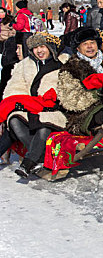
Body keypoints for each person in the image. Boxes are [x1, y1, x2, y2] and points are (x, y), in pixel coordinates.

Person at [0, 32, 69, 177]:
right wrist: (27, 103)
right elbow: (15, 88)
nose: (39, 51)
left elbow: (70, 90)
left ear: (51, 47)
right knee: (14, 121)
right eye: (36, 47)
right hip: (30, 106)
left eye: (43, 46)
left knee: (44, 125)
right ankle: (42, 158)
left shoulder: (64, 63)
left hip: (55, 110)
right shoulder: (24, 65)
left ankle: (29, 162)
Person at [56, 27, 103, 136]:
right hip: (84, 114)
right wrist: (97, 94)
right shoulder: (71, 68)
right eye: (85, 44)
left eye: (92, 43)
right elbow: (69, 99)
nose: (90, 46)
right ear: (78, 49)